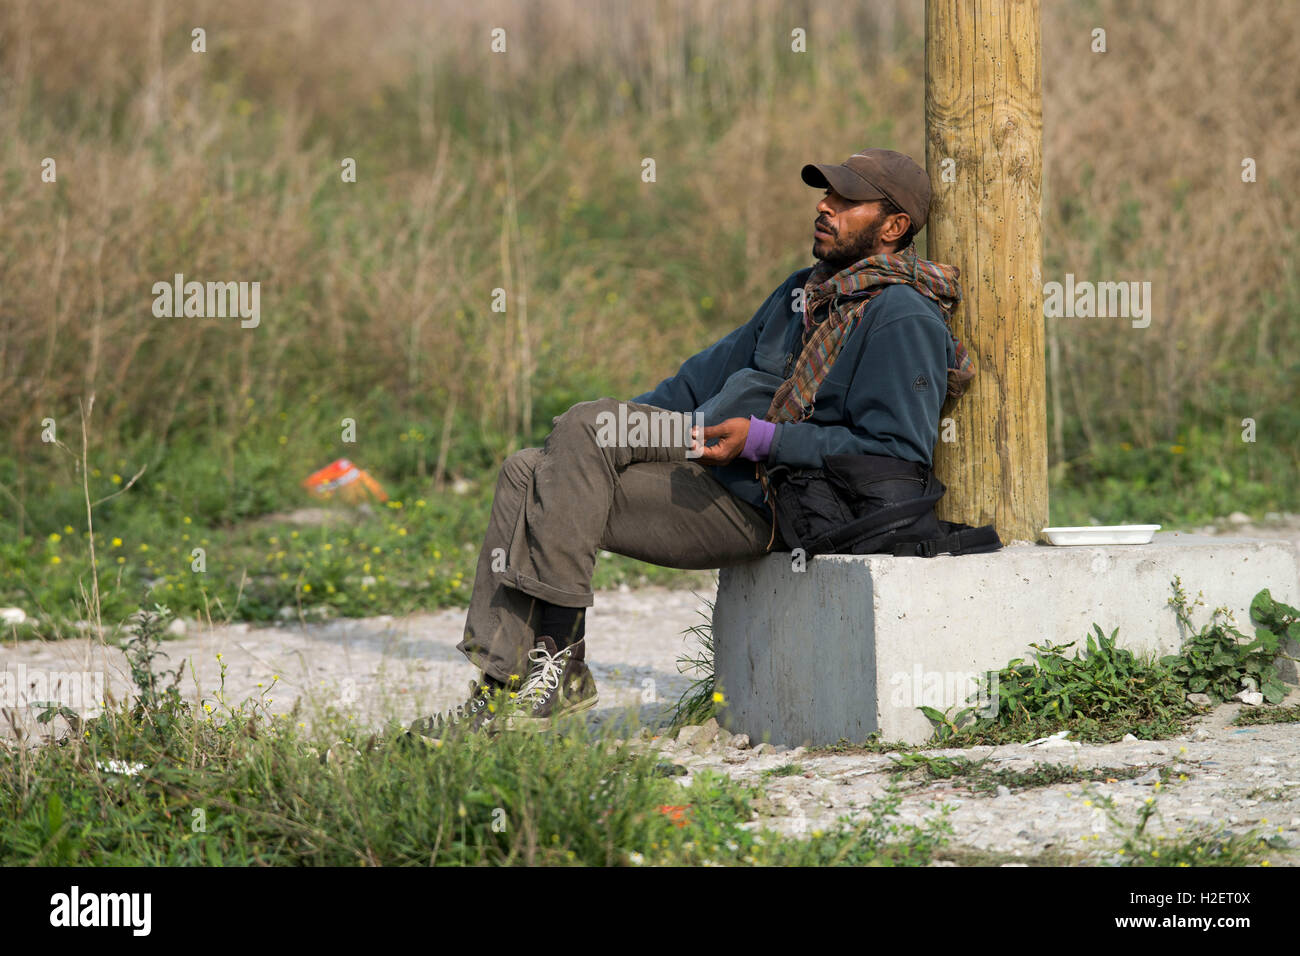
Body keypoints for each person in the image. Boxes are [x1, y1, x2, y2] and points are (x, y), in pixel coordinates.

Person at [408, 148, 974, 739]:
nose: (823, 206)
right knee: (532, 468)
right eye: (824, 194)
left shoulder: (902, 316)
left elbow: (895, 452)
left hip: (770, 502)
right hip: (706, 460)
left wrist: (764, 439)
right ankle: (503, 692)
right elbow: (694, 383)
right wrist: (607, 443)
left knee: (578, 433)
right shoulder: (801, 294)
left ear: (893, 226)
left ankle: (559, 664)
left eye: (844, 200)